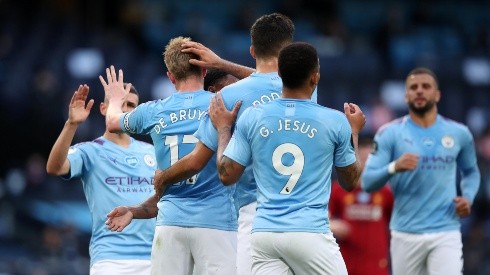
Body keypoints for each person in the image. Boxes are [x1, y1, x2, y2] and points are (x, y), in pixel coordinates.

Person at [150, 13, 299, 275]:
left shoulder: (227, 97)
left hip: (254, 213)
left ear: (252, 50)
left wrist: (163, 178)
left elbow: (196, 161)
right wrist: (223, 64)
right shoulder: (306, 91)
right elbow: (276, 83)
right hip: (304, 214)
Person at [211, 42, 366, 274]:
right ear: (315, 77)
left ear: (280, 74)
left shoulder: (253, 117)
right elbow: (350, 181)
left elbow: (226, 174)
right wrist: (354, 132)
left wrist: (224, 129)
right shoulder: (334, 121)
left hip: (264, 234)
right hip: (310, 233)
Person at [100, 36, 238, 275]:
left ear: (170, 77)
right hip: (216, 222)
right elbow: (271, 84)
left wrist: (114, 99)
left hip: (170, 222)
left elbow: (112, 122)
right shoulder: (223, 105)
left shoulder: (153, 111)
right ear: (205, 70)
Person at [361, 67, 481, 275]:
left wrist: (468, 197)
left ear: (437, 94)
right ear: (406, 95)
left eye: (426, 86)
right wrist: (394, 167)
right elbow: (368, 181)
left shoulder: (459, 133)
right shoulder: (389, 133)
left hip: (446, 230)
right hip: (405, 233)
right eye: (413, 87)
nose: (419, 91)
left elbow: (471, 172)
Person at [46, 84, 157, 275]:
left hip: (155, 257)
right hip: (111, 259)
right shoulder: (89, 151)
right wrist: (71, 124)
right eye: (119, 103)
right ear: (104, 108)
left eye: (131, 105)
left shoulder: (153, 152)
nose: (125, 110)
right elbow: (55, 167)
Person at [329, 136, 393, 275]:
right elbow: (322, 219)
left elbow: (397, 223)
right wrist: (334, 225)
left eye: (370, 159)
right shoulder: (339, 189)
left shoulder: (386, 192)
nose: (366, 164)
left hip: (377, 266)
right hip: (346, 265)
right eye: (362, 158)